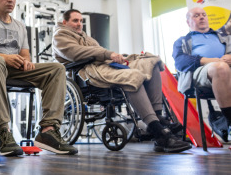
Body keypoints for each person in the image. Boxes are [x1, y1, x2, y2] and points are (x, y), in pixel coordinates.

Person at [53, 9, 192, 153]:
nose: (79, 24)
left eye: (81, 21)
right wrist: (109, 54)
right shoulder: (60, 35)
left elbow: (100, 52)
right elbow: (76, 53)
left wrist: (117, 56)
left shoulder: (86, 37)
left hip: (104, 65)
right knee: (131, 76)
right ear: (65, 22)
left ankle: (158, 117)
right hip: (87, 72)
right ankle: (158, 131)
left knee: (151, 62)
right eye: (75, 21)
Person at [0, 0, 78, 156]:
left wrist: (26, 62)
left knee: (57, 69)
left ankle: (48, 131)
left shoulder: (20, 26)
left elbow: (25, 54)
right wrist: (3, 57)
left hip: (14, 70)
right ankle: (3, 132)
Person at [173, 7, 231, 135]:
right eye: (196, 15)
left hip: (227, 69)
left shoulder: (222, 36)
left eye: (204, 14)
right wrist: (209, 60)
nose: (201, 17)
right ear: (188, 22)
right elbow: (180, 62)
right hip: (199, 74)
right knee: (220, 68)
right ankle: (230, 122)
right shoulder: (182, 41)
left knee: (223, 67)